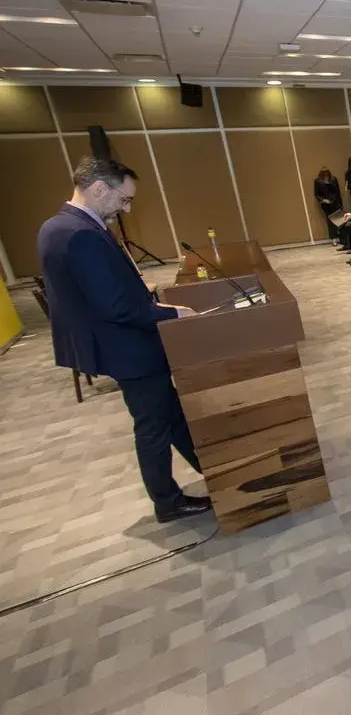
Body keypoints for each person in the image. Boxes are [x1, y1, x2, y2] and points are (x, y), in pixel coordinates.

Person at [36, 157, 210, 523]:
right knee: (154, 427)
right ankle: (168, 502)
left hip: (121, 343)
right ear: (100, 188)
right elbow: (117, 307)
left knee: (170, 415)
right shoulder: (81, 234)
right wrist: (173, 314)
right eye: (124, 199)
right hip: (129, 348)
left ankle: (213, 468)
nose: (126, 209)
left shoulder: (56, 226)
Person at [313, 166, 342, 240]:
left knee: (339, 220)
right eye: (324, 172)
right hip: (326, 204)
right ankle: (333, 238)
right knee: (330, 221)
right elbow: (316, 194)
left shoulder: (334, 179)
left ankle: (341, 236)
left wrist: (340, 203)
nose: (326, 173)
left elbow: (337, 191)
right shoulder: (317, 181)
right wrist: (323, 200)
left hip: (335, 202)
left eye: (327, 172)